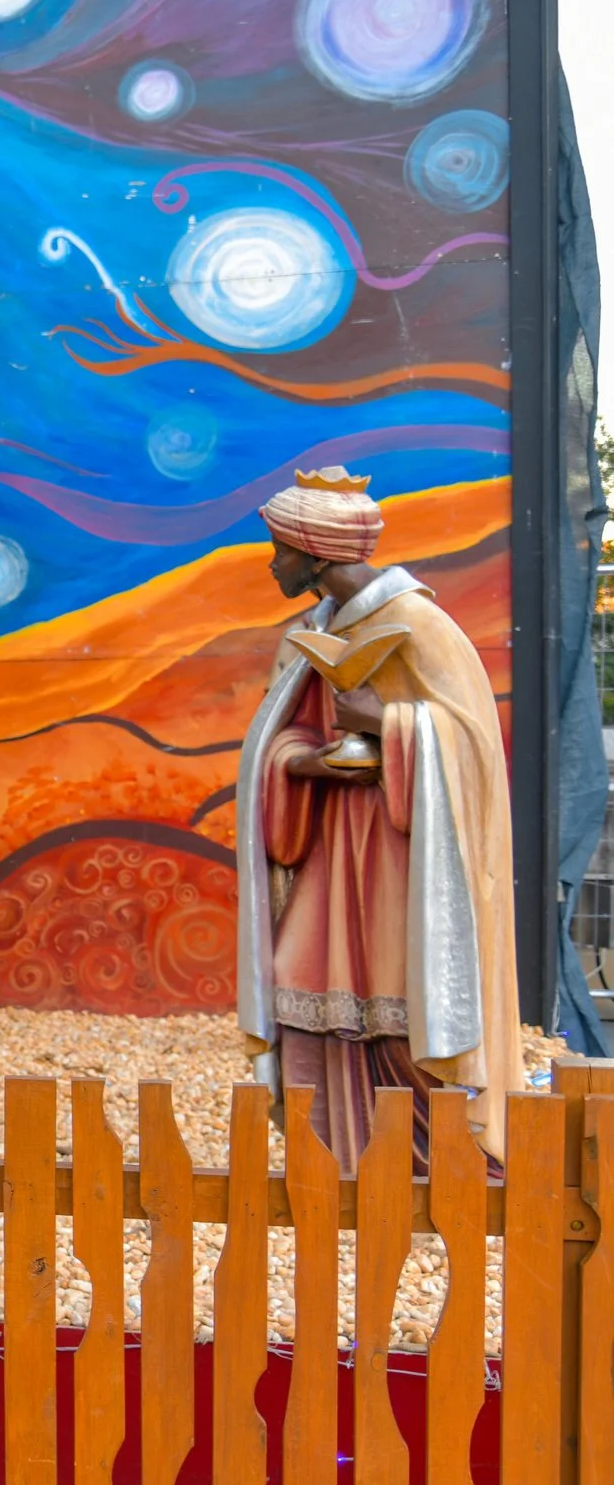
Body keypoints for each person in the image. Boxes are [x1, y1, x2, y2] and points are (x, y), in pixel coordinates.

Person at [234, 467, 518, 1173]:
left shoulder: (420, 623)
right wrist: (306, 764)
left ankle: (434, 1166)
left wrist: (387, 723)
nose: (274, 563)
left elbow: (475, 746)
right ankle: (333, 1158)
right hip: (332, 850)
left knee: (399, 994)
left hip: (405, 857)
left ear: (317, 551)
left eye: (281, 549)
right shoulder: (311, 634)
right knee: (299, 978)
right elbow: (282, 740)